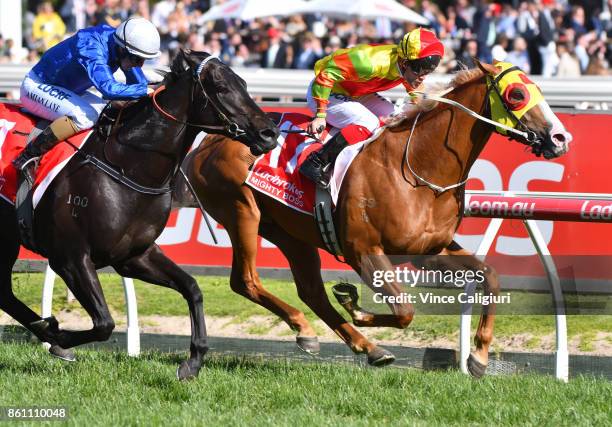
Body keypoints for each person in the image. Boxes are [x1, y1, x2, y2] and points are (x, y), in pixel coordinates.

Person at [12, 17, 160, 184]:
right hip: (36, 85)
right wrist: (145, 89)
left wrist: (155, 87)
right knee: (85, 115)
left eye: (143, 60)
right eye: (137, 59)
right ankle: (27, 157)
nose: (140, 65)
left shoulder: (120, 46)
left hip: (68, 90)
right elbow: (108, 89)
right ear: (122, 49)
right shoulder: (91, 44)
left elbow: (137, 84)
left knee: (107, 110)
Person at [299, 27, 444, 188]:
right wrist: (320, 115)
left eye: (429, 70)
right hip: (326, 90)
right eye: (420, 69)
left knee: (397, 117)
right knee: (369, 122)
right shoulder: (370, 63)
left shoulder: (405, 66)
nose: (423, 76)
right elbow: (325, 75)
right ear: (404, 63)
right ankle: (316, 161)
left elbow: (415, 90)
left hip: (356, 91)